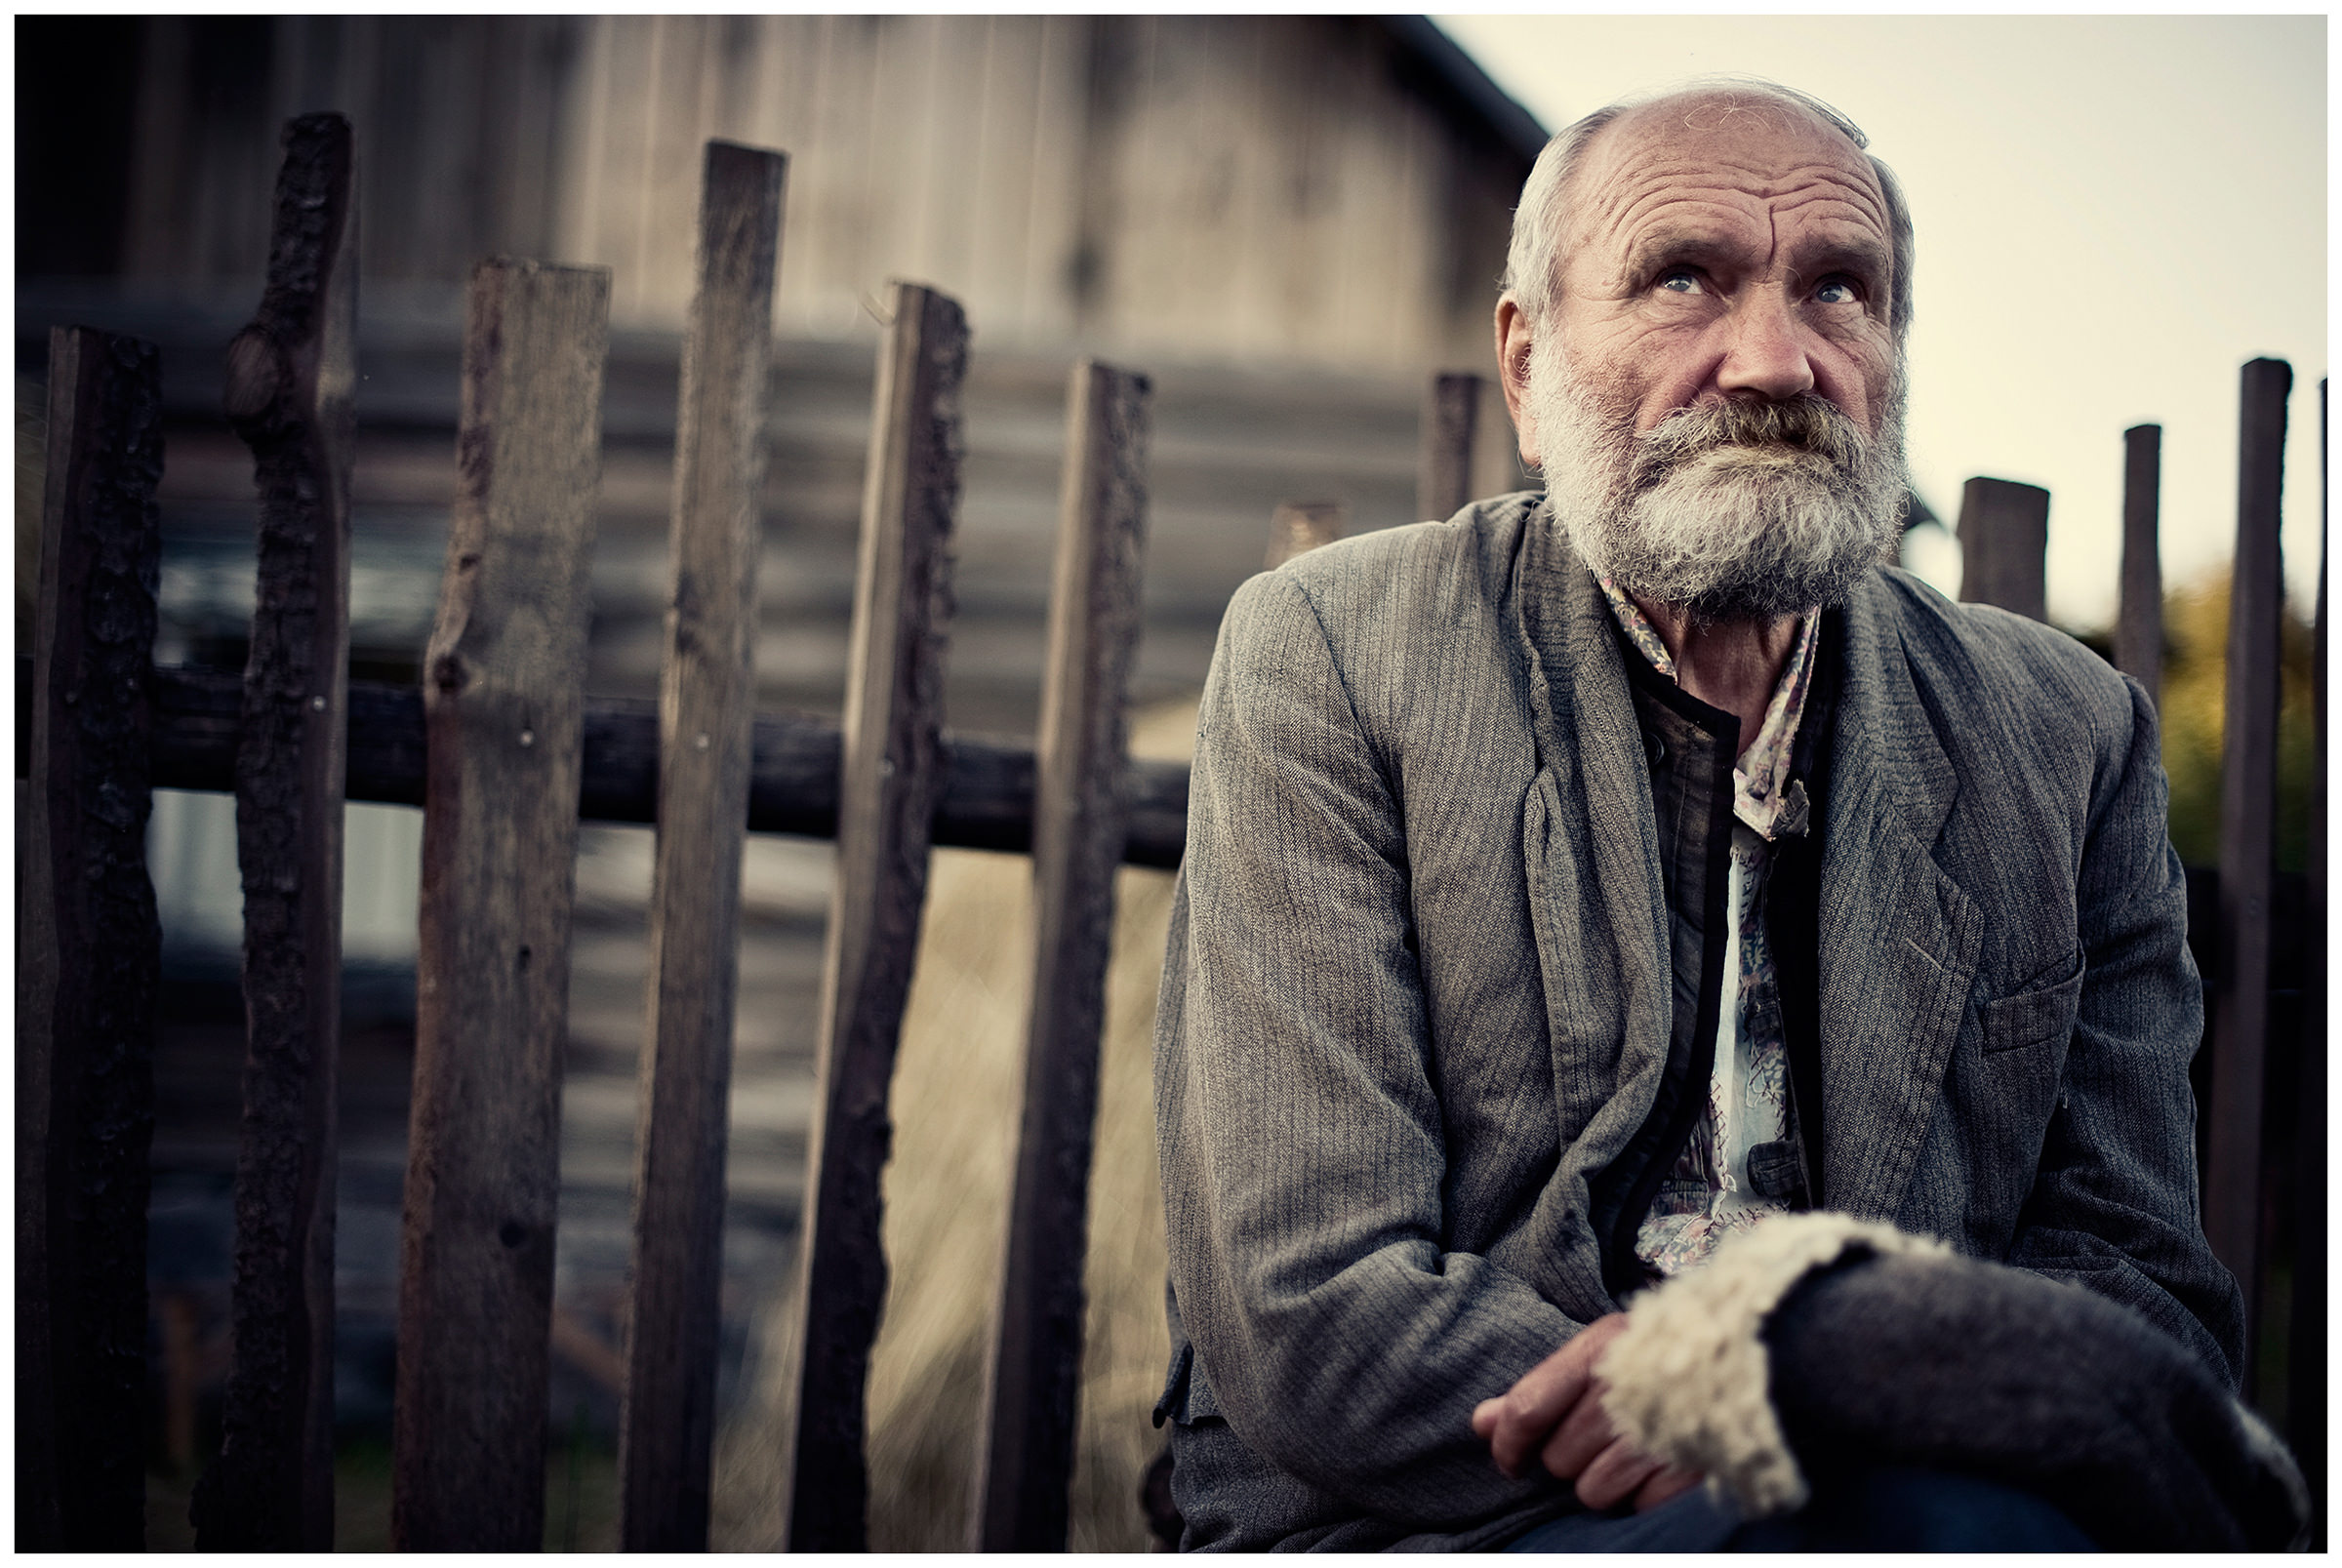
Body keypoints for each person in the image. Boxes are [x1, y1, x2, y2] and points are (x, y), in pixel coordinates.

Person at [1149, 79, 2273, 1551]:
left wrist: (1801, 1384)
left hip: (1910, 1494)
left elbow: (2147, 1305)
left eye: (1840, 291)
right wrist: (1736, 1411)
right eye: (1682, 278)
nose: (1776, 359)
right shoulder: (1335, 656)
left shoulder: (2071, 737)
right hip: (1427, 1513)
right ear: (1526, 362)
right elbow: (1316, 1316)